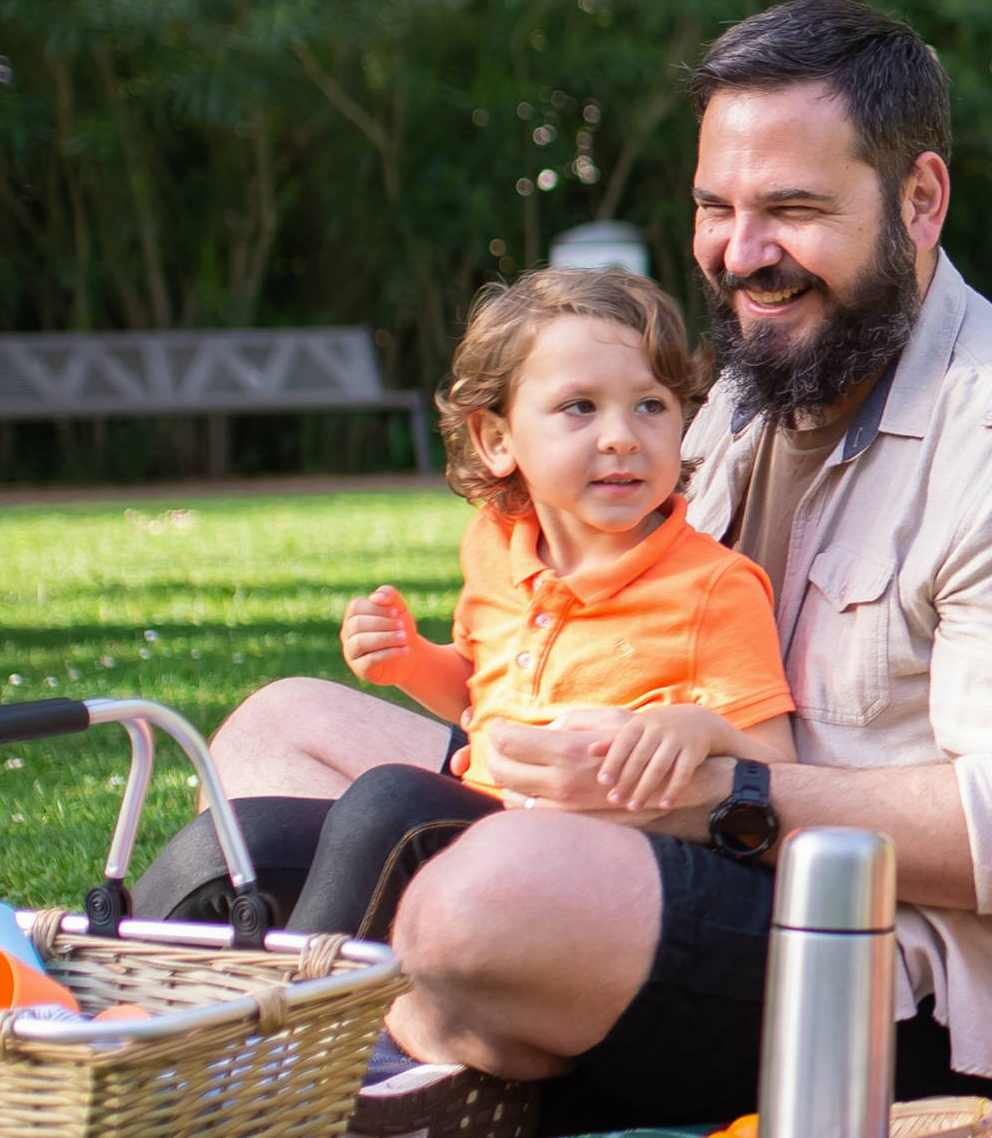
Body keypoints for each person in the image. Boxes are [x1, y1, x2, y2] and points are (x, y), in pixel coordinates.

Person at [161, 0, 992, 1130]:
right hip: (658, 839)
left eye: (793, 211)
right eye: (717, 208)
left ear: (920, 200)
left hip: (896, 988)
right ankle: (254, 1042)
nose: (742, 256)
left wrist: (726, 796)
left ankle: (342, 1077)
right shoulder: (751, 396)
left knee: (479, 901)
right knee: (274, 735)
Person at [131, 269, 799, 951]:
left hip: (598, 872)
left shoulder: (713, 586)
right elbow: (481, 695)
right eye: (580, 407)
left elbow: (778, 762)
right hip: (484, 822)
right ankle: (114, 990)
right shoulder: (497, 543)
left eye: (651, 406)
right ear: (496, 439)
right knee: (251, 835)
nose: (623, 436)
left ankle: (296, 1018)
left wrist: (700, 731)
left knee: (392, 805)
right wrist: (412, 662)